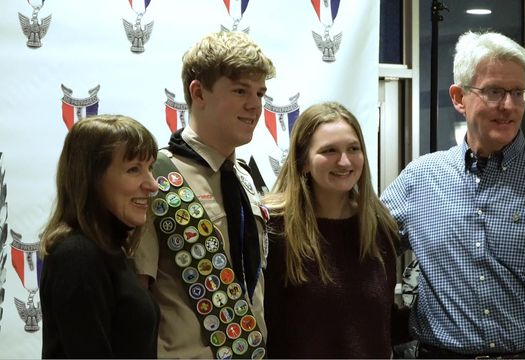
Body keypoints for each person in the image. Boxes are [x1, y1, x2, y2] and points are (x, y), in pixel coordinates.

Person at [381, 31, 525, 359]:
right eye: (494, 91)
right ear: (459, 98)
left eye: (518, 92)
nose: (509, 106)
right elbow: (361, 247)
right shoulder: (420, 180)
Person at [133, 31, 276, 359]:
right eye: (240, 90)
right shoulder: (154, 176)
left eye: (260, 93)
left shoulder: (244, 178)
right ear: (198, 93)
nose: (255, 105)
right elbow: (136, 296)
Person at [262, 102, 402, 358]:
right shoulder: (272, 228)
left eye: (353, 149)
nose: (345, 161)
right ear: (303, 161)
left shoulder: (380, 227)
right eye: (329, 151)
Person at [39, 115, 160, 358]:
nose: (152, 184)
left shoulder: (109, 251)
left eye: (150, 168)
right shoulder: (78, 256)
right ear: (91, 178)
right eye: (134, 169)